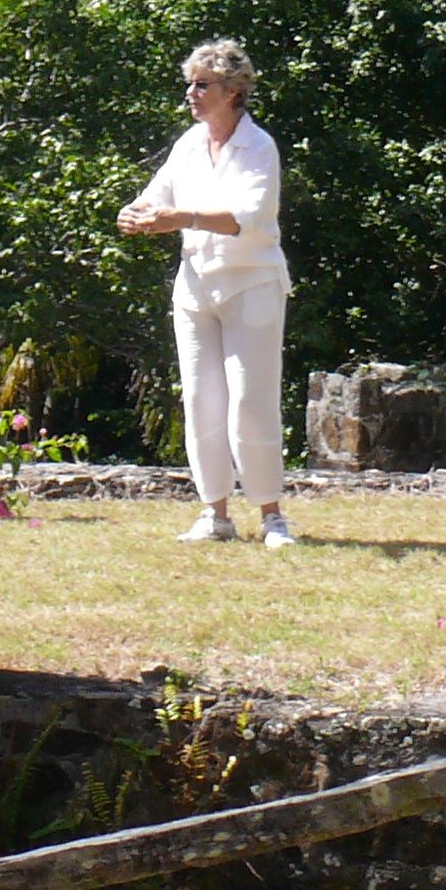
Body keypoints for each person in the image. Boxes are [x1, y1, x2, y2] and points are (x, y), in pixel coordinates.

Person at [117, 38, 294, 547]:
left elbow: (249, 217)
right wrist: (137, 213)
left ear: (233, 91)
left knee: (251, 403)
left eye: (203, 85)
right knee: (201, 400)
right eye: (190, 84)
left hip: (252, 285)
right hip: (196, 287)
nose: (192, 93)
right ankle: (214, 514)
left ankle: (272, 517)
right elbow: (157, 196)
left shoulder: (258, 146)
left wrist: (184, 218)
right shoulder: (189, 145)